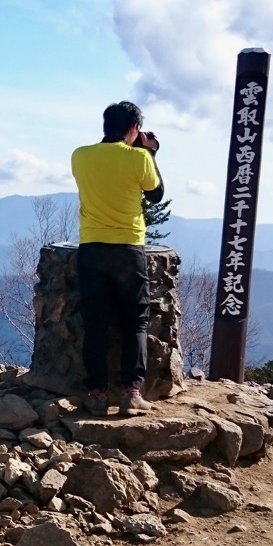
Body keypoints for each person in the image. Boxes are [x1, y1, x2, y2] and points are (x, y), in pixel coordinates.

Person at [71, 101, 164, 417]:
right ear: (134, 128)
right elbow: (155, 194)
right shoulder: (139, 157)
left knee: (95, 324)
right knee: (135, 322)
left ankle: (96, 395)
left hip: (91, 248)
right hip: (128, 249)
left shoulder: (80, 156)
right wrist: (149, 152)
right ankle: (131, 393)